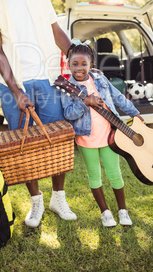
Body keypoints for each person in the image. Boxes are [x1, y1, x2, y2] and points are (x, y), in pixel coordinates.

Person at [0, 0, 77, 228]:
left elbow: (56, 32)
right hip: (13, 85)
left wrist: (77, 60)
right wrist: (16, 90)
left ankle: (59, 198)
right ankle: (36, 203)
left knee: (57, 139)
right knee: (24, 146)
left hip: (47, 79)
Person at [60, 39, 144, 227]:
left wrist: (134, 112)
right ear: (69, 64)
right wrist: (85, 102)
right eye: (75, 64)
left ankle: (123, 210)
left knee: (115, 173)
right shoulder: (66, 88)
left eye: (84, 63)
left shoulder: (99, 78)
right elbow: (68, 114)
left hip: (109, 136)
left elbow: (117, 97)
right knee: (94, 175)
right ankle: (105, 212)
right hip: (85, 138)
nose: (79, 68)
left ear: (91, 64)